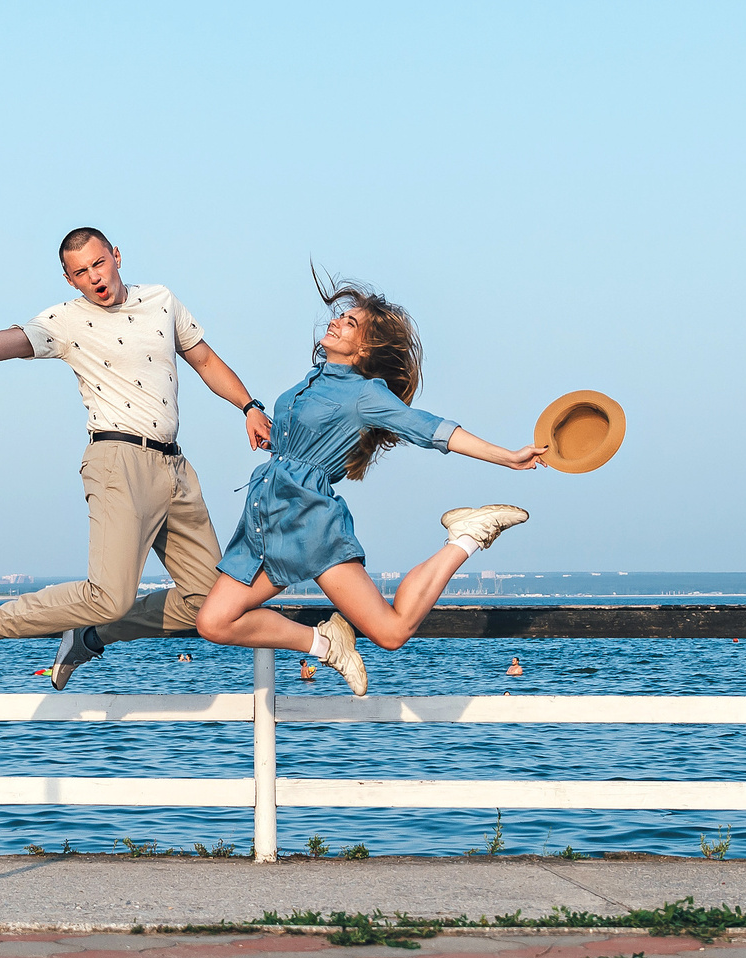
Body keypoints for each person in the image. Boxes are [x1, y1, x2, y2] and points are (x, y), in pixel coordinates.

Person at [0, 229, 273, 689]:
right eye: (81, 272)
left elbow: (204, 360)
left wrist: (249, 406)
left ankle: (92, 635)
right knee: (108, 594)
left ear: (116, 256)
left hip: (175, 468)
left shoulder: (161, 300)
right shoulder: (66, 321)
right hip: (117, 461)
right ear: (69, 280)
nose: (95, 277)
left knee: (208, 604)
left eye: (99, 264)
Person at [193, 278, 541, 694]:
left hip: (307, 522)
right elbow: (305, 434)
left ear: (364, 351)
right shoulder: (312, 380)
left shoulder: (365, 393)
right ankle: (325, 645)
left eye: (351, 324)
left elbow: (427, 429)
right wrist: (265, 425)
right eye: (341, 315)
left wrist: (505, 456)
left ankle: (465, 537)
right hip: (267, 518)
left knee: (391, 632)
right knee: (214, 622)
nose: (337, 322)